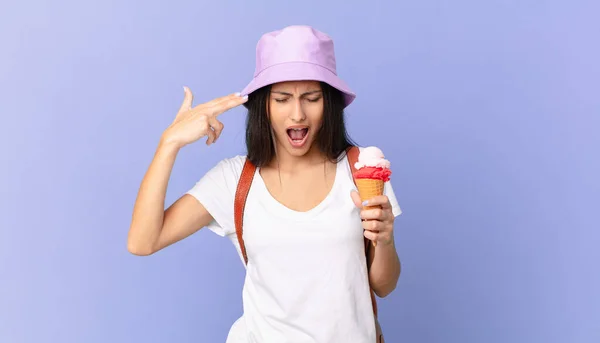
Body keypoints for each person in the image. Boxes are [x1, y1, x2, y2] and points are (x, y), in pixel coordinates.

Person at [127, 25, 402, 343]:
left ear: (328, 103)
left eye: (311, 98)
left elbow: (384, 285)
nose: (297, 114)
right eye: (282, 99)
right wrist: (168, 143)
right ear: (264, 107)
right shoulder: (234, 181)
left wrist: (385, 239)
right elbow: (142, 242)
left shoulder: (361, 169)